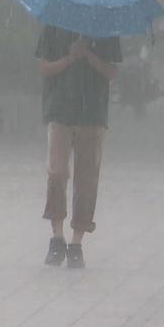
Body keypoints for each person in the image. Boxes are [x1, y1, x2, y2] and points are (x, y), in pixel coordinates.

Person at [35, 25, 120, 268]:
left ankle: (76, 242)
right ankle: (57, 236)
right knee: (56, 172)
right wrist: (71, 56)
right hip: (59, 110)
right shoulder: (53, 25)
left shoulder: (106, 28)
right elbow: (45, 68)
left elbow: (112, 72)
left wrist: (89, 55)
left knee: (86, 180)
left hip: (92, 114)